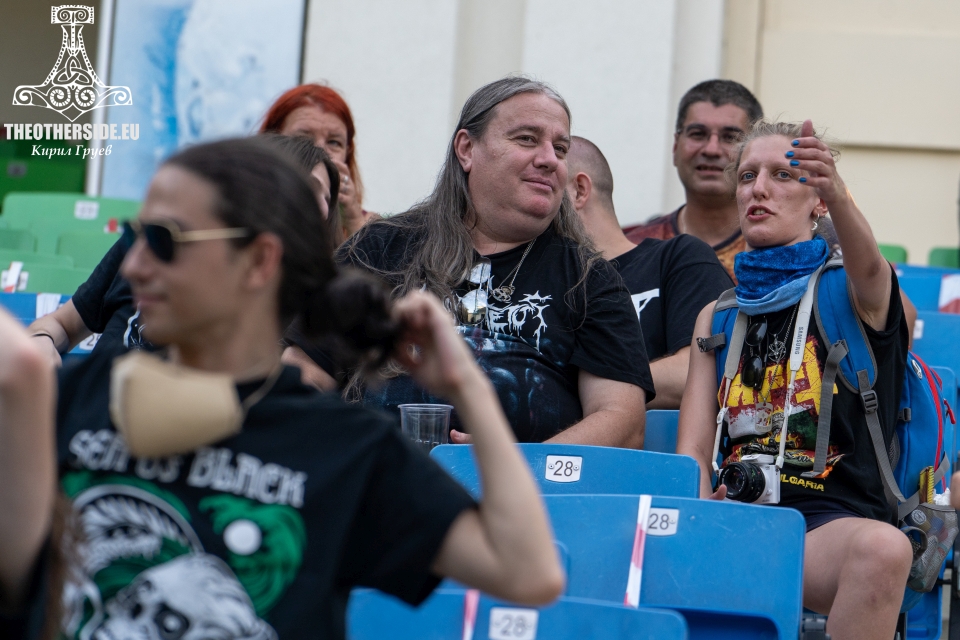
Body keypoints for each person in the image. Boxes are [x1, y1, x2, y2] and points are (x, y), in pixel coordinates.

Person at [47, 138, 563, 638]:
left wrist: (468, 388)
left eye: (164, 241)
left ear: (259, 261)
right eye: (135, 238)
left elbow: (528, 573)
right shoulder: (74, 397)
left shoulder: (343, 446)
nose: (133, 266)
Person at [285, 77, 654, 447]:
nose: (549, 160)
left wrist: (516, 463)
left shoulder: (589, 279)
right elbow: (305, 373)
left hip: (523, 482)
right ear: (466, 149)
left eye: (560, 149)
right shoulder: (379, 248)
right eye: (527, 139)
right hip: (375, 472)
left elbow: (621, 419)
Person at [677, 120, 912, 639]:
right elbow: (692, 448)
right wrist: (700, 509)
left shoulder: (852, 293)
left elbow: (873, 271)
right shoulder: (717, 315)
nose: (758, 189)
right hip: (734, 515)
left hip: (828, 524)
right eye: (747, 176)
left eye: (783, 175)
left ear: (819, 201)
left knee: (883, 548)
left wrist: (839, 192)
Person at [27, 135, 341, 365]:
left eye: (324, 196)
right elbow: (63, 323)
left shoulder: (309, 308)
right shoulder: (143, 246)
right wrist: (41, 342)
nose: (135, 267)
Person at [565, 136, 731, 409]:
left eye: (546, 184)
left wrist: (580, 395)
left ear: (579, 191)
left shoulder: (677, 258)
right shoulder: (543, 286)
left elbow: (698, 374)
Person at [623, 79, 840, 281]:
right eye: (698, 134)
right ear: (675, 146)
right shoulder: (633, 250)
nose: (711, 149)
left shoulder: (825, 245)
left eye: (730, 137)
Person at [261, 84, 378, 240]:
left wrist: (354, 221)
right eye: (302, 138)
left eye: (334, 142)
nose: (320, 152)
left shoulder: (371, 225)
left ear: (347, 153)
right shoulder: (243, 210)